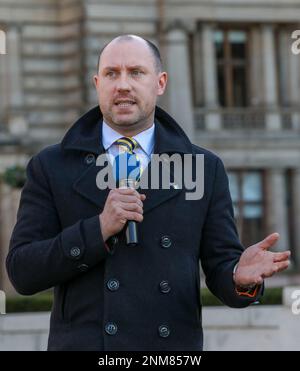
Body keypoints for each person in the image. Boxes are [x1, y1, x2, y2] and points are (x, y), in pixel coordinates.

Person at [6, 35, 290, 351]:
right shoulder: (51, 165)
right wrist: (97, 230)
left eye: (136, 72)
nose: (123, 85)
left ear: (160, 83)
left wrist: (239, 277)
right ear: (97, 84)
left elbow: (220, 267)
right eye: (112, 74)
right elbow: (22, 272)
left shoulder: (204, 168)